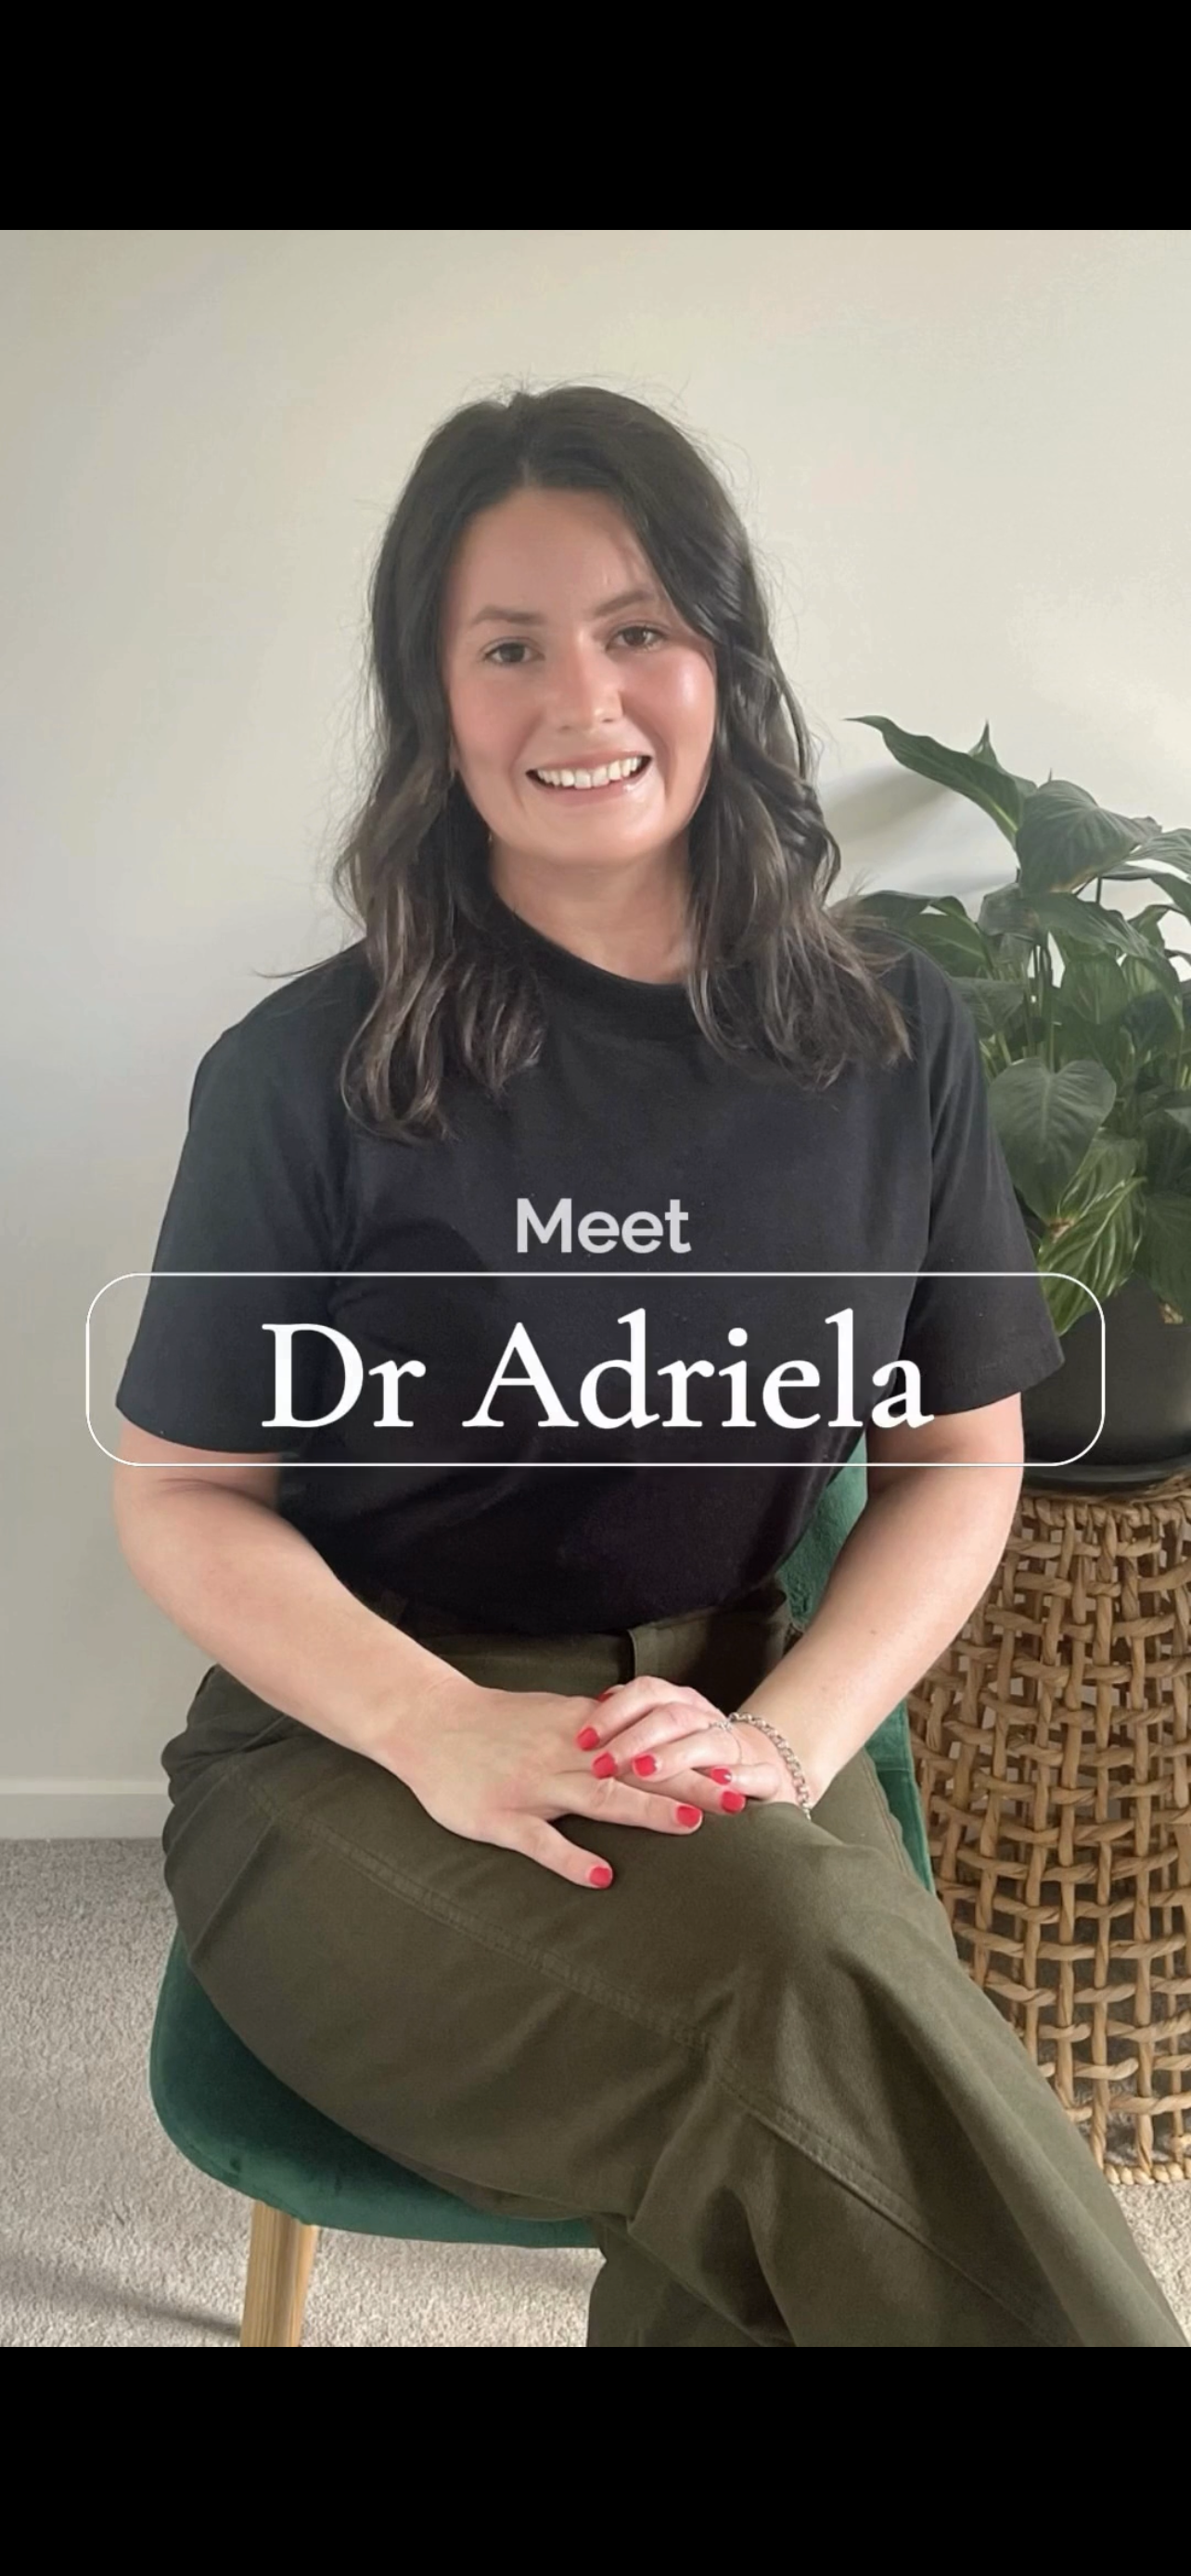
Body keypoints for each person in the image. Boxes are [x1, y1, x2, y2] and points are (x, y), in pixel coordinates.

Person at [111, 383, 1184, 2348]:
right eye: (506, 647)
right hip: (361, 1755)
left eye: (636, 632)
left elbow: (961, 1453)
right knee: (801, 1999)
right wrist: (438, 1727)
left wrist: (788, 1738)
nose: (578, 700)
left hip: (743, 1703)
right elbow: (183, 1494)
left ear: (723, 658)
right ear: (433, 701)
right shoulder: (310, 1073)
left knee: (781, 2092)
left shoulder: (891, 1035)